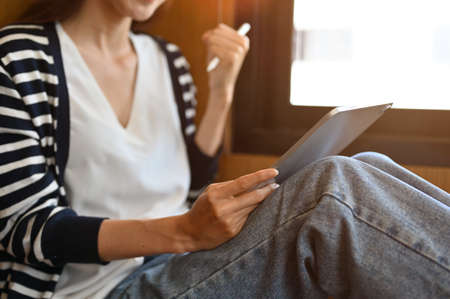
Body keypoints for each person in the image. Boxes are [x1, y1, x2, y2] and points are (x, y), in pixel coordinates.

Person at [0, 0, 448, 298]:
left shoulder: (167, 59)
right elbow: (29, 228)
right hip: (100, 288)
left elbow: (191, 179)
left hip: (178, 260)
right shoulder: (17, 58)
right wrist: (184, 233)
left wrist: (222, 89)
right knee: (334, 192)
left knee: (368, 164)